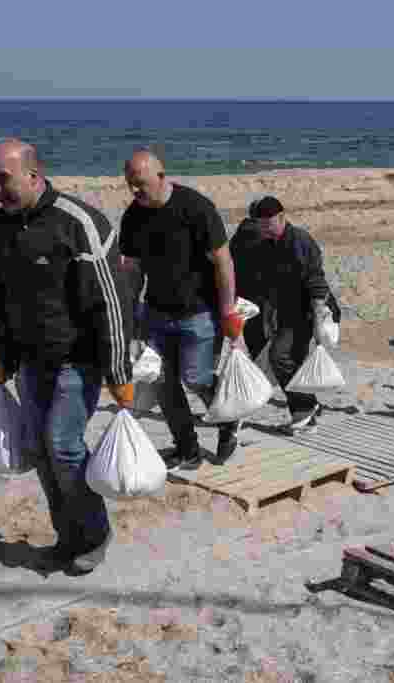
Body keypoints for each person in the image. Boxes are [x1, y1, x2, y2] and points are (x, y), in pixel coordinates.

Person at [0, 139, 133, 575]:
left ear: (32, 174)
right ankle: (68, 538)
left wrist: (119, 371)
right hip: (29, 362)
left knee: (65, 449)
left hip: (76, 361)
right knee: (41, 453)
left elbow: (112, 303)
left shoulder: (79, 223)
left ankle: (95, 534)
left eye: (3, 179)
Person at [118, 150, 243, 471]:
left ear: (161, 177)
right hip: (156, 314)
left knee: (197, 377)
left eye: (140, 184)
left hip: (199, 312)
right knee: (163, 384)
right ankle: (187, 448)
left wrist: (228, 312)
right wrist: (131, 318)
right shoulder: (132, 217)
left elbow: (223, 262)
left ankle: (229, 419)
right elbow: (132, 271)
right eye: (130, 185)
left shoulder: (196, 208)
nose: (135, 191)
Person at [227, 196, 335, 433]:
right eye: (261, 224)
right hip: (284, 311)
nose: (264, 229)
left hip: (310, 309)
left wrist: (318, 318)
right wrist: (262, 314)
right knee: (286, 359)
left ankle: (304, 411)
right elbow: (266, 285)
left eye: (268, 224)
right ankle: (309, 407)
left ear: (282, 218)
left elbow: (316, 280)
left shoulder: (299, 240)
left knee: (280, 356)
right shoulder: (266, 244)